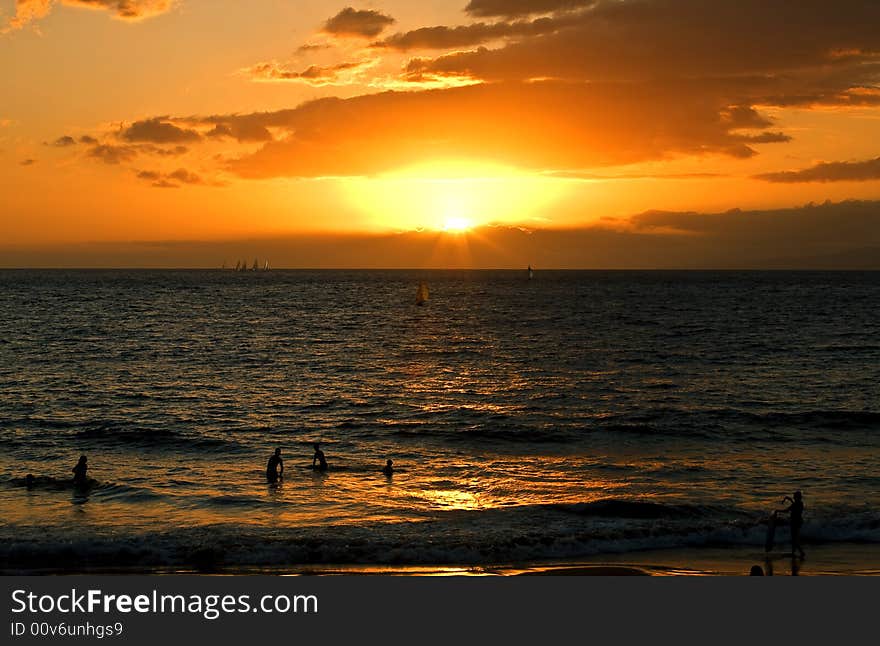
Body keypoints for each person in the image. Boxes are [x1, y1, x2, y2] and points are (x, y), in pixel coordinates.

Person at [776, 490, 806, 558]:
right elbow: (793, 507)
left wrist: (777, 511)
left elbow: (787, 510)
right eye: (794, 497)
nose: (794, 497)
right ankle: (793, 552)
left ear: (798, 497)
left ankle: (801, 552)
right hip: (797, 522)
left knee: (794, 539)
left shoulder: (796, 504)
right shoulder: (800, 503)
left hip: (795, 522)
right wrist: (791, 501)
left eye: (795, 497)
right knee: (794, 538)